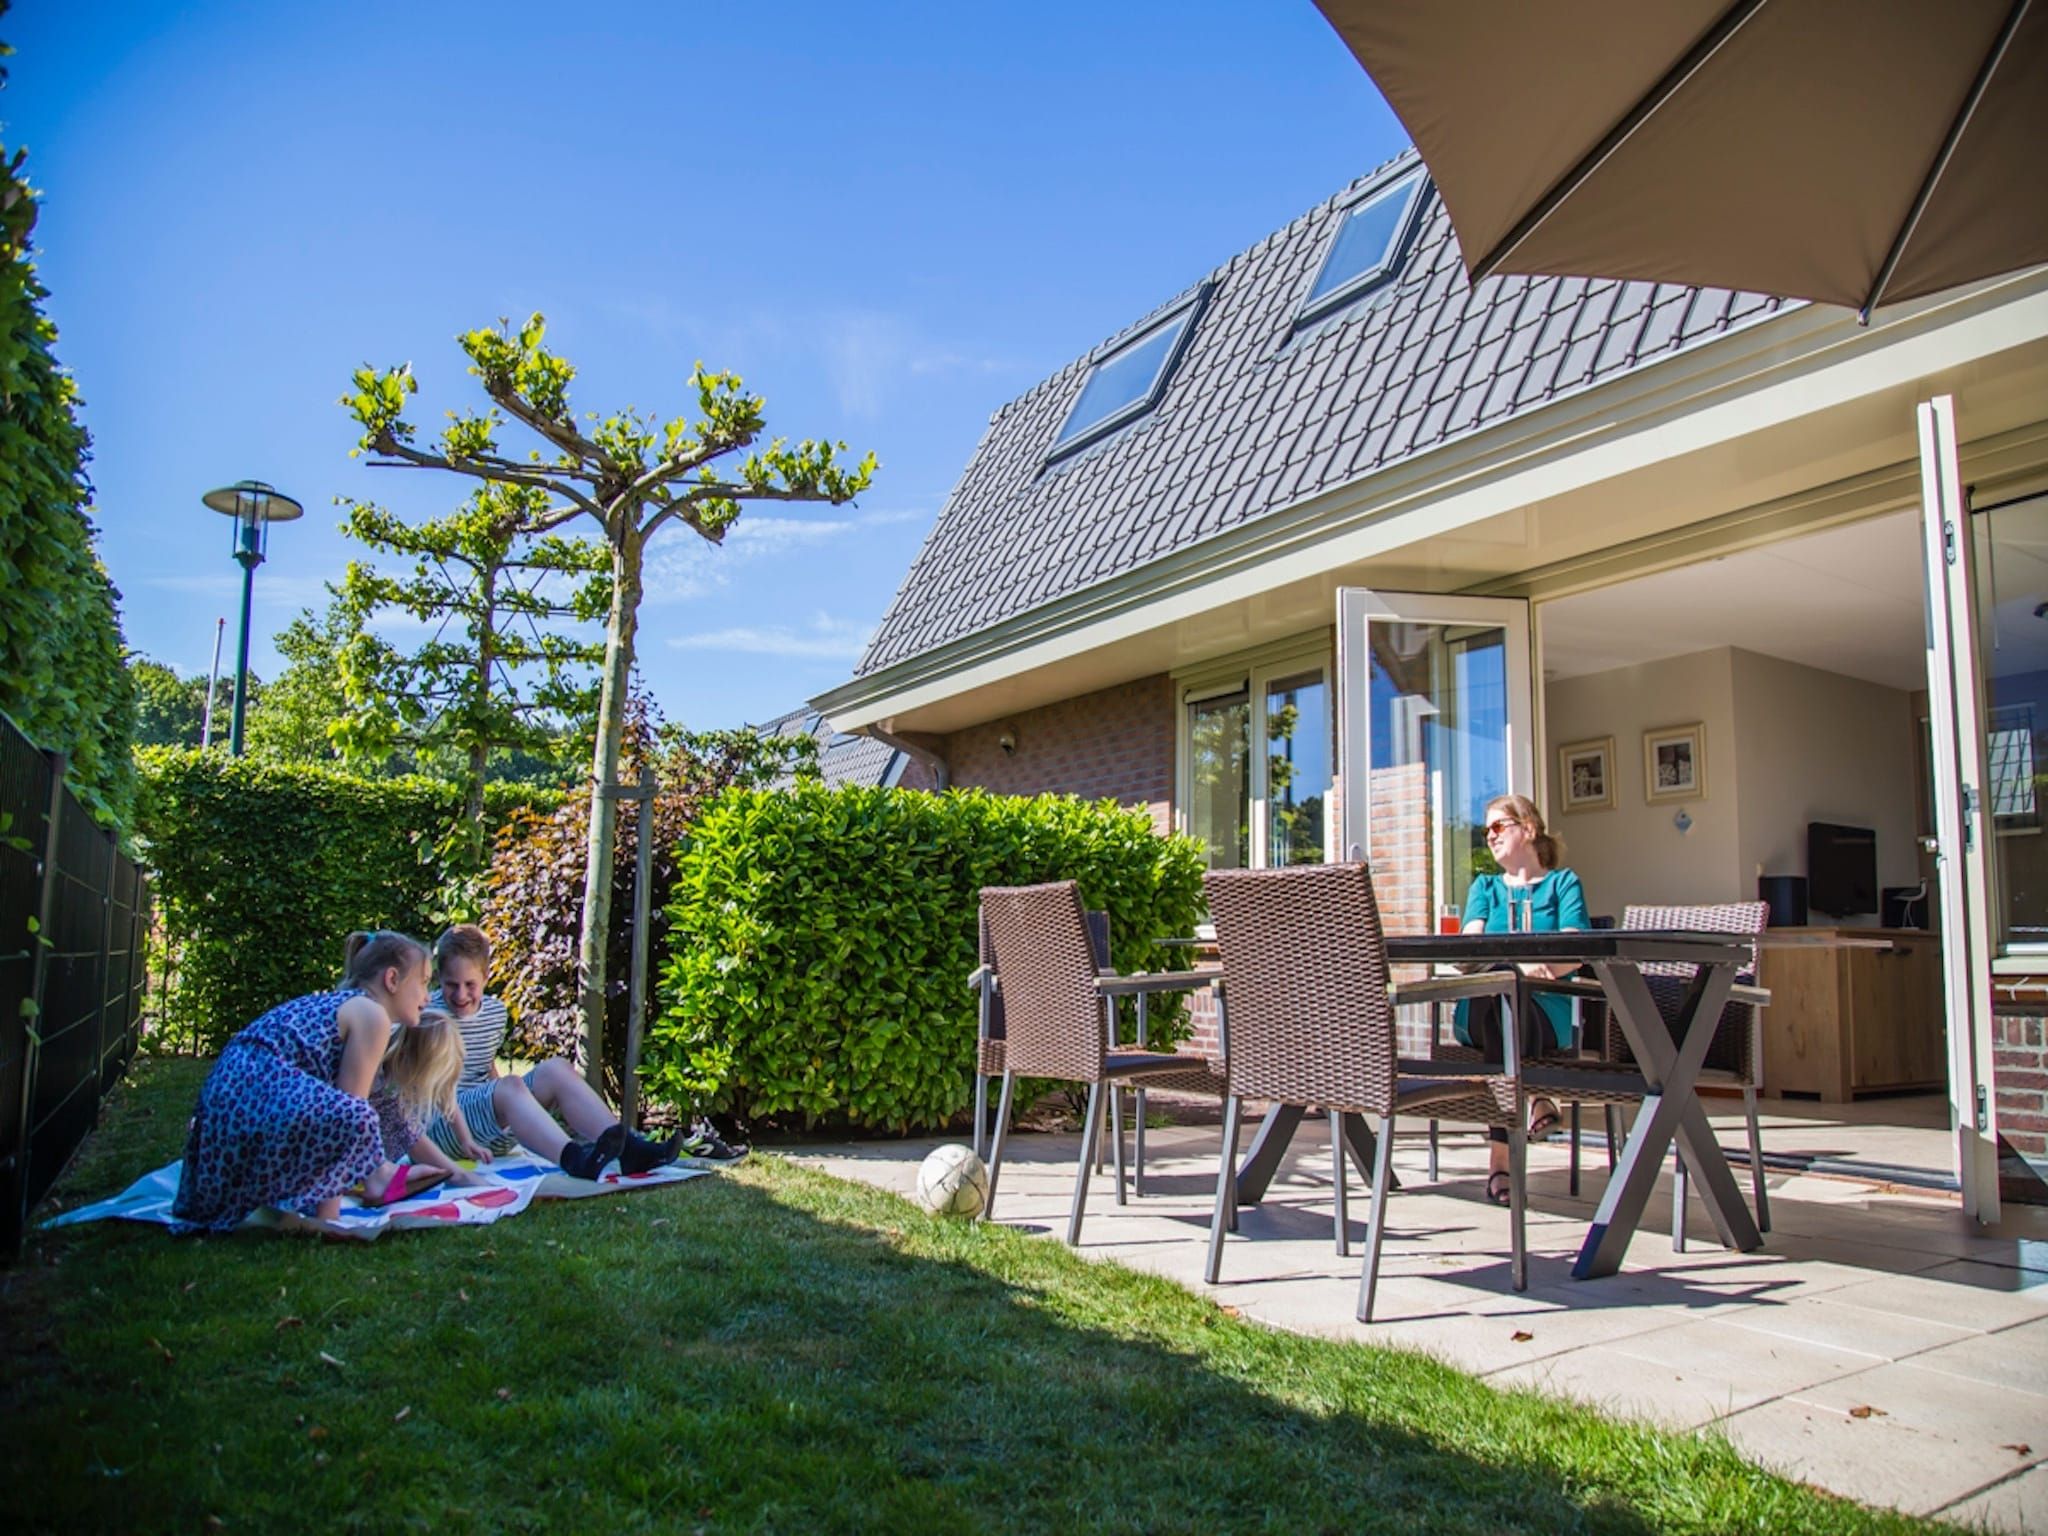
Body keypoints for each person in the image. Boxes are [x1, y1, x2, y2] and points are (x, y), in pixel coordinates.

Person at [170, 930, 464, 1232]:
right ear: (392, 979)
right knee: (359, 1114)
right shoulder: (372, 1015)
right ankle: (374, 1179)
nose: (428, 997)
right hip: (251, 1094)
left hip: (225, 1112)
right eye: (423, 982)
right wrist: (330, 1220)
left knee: (358, 1113)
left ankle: (378, 1175)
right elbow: (348, 1117)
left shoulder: (345, 1004)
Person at [422, 924, 745, 1177]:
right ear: (439, 980)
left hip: (488, 1130)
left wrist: (510, 1109)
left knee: (556, 1069)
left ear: (486, 977)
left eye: (470, 985)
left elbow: (486, 1068)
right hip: (444, 1129)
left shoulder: (494, 1012)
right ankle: (576, 1160)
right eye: (452, 985)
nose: (461, 995)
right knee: (509, 1087)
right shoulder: (427, 1016)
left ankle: (629, 1147)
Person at [1454, 794, 1589, 1205]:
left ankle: (1500, 1162)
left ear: (1528, 828)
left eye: (1498, 826)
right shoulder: (1485, 887)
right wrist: (1519, 966)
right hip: (1481, 1007)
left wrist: (1528, 971)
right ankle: (1536, 1098)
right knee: (1500, 988)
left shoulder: (1563, 884)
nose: (1489, 836)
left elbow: (1575, 951)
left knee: (1509, 1005)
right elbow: (1469, 952)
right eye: (1486, 830)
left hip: (1544, 1012)